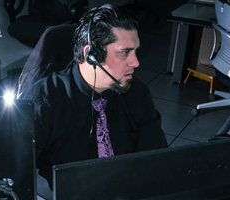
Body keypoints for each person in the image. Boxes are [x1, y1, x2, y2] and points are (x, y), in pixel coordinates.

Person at [18, 4, 168, 189]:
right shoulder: (42, 103)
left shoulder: (137, 93)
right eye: (125, 52)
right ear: (91, 55)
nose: (136, 62)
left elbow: (156, 159)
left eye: (135, 51)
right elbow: (13, 175)